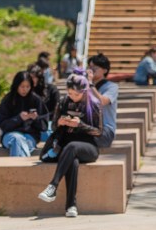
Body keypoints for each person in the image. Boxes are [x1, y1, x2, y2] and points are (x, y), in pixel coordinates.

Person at [37, 73, 106, 217]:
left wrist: (80, 125)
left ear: (84, 91)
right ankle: (71, 206)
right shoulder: (63, 103)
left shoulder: (94, 105)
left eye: (76, 94)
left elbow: (99, 132)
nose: (72, 96)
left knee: (73, 147)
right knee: (72, 162)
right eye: (70, 93)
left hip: (88, 148)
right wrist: (59, 123)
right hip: (66, 147)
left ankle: (53, 185)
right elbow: (54, 127)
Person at [0, 71, 46, 157]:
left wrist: (36, 118)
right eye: (22, 86)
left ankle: (17, 168)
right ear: (16, 86)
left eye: (28, 86)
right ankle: (23, 168)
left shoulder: (36, 100)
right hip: (10, 135)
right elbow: (2, 125)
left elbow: (44, 126)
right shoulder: (8, 100)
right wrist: (19, 118)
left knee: (23, 143)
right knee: (17, 139)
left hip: (30, 136)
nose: (25, 89)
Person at [86, 52, 119, 148]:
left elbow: (102, 101)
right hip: (87, 127)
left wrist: (90, 85)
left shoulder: (112, 87)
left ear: (105, 70)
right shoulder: (85, 85)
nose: (91, 70)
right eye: (89, 67)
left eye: (95, 68)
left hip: (105, 130)